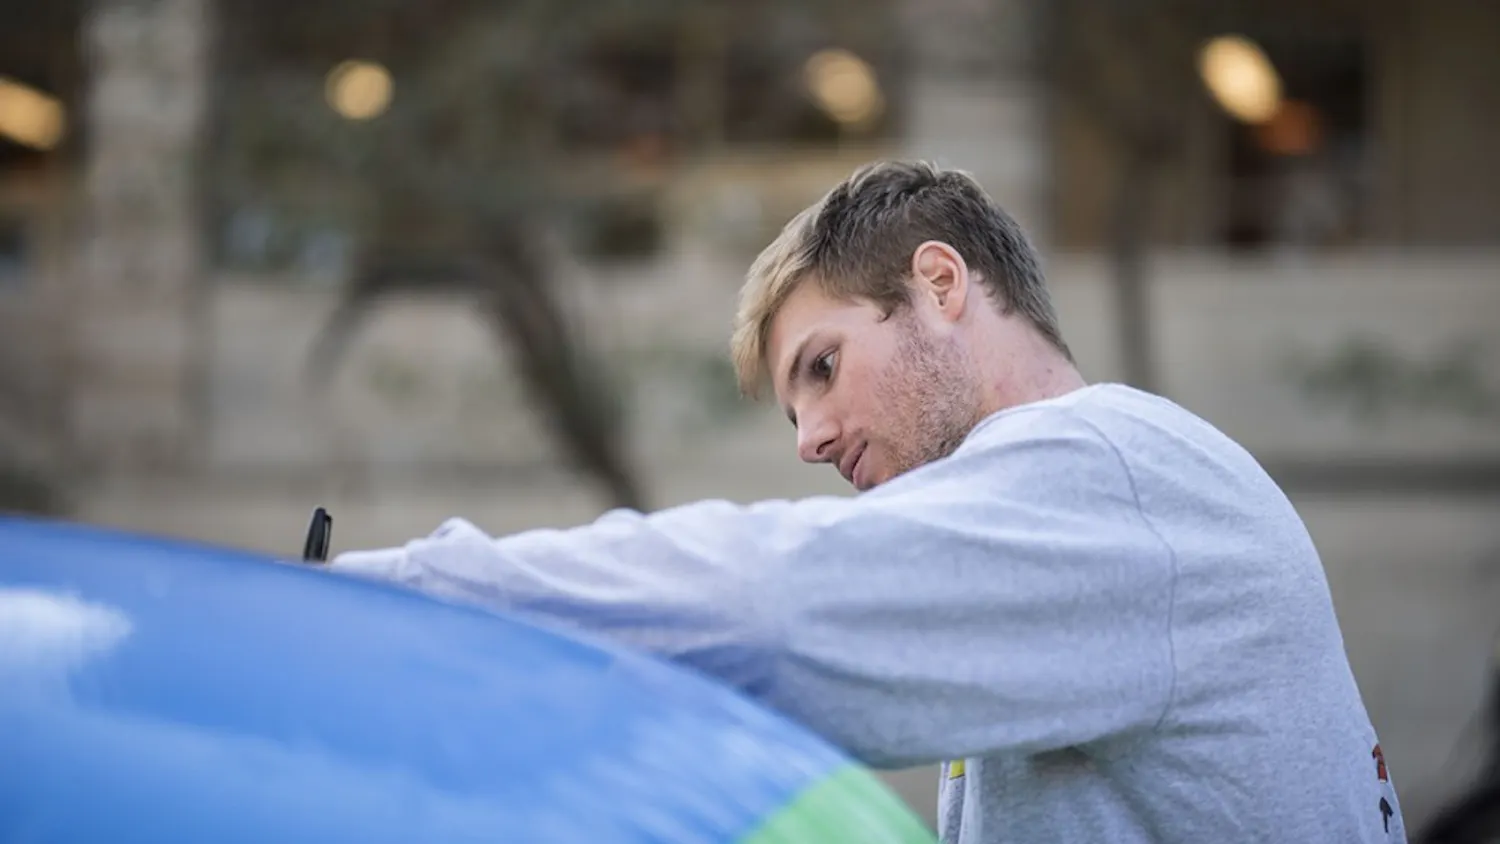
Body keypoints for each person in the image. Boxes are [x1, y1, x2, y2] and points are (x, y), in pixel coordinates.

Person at [329, 160, 1406, 843]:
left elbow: (775, 613)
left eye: (823, 367)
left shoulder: (1106, 469)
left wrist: (394, 602)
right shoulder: (1086, 508)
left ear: (941, 286)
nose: (808, 441)